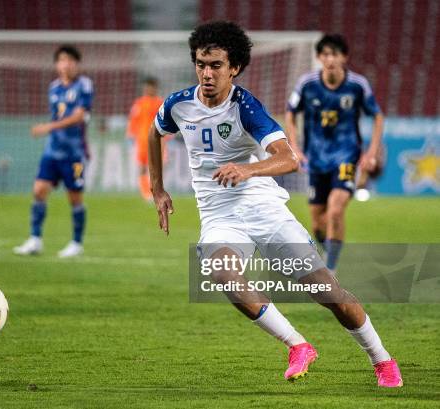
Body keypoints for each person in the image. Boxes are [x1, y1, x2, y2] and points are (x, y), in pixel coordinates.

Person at [148, 21, 402, 387]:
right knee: (222, 273)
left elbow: (289, 159)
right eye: (201, 64)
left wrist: (247, 170)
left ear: (234, 67)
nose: (207, 73)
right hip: (219, 215)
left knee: (328, 293)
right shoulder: (178, 104)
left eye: (216, 65)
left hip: (263, 209)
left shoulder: (245, 107)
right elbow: (154, 132)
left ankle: (382, 359)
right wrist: (157, 189)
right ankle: (298, 345)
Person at [285, 34, 384, 272]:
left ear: (344, 57)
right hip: (316, 160)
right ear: (319, 57)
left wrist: (371, 153)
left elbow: (377, 116)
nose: (330, 59)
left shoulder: (357, 85)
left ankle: (330, 268)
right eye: (325, 54)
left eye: (335, 54)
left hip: (346, 156)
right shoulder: (306, 84)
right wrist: (295, 149)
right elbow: (290, 113)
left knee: (336, 208)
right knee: (318, 220)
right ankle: (329, 250)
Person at [14, 45, 93, 258]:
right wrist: (51, 129)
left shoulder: (84, 85)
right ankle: (35, 239)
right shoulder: (54, 88)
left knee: (75, 198)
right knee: (39, 190)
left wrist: (48, 127)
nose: (65, 64)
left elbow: (78, 116)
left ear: (77, 64)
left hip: (74, 154)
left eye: (69, 60)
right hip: (52, 151)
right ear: (57, 64)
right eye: (61, 60)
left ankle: (76, 243)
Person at [126, 77, 164, 201]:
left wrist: (168, 136)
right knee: (142, 167)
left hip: (157, 140)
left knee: (156, 168)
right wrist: (130, 135)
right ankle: (146, 193)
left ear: (155, 88)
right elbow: (133, 120)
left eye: (151, 87)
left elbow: (166, 121)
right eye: (147, 87)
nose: (148, 89)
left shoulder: (160, 103)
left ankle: (156, 191)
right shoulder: (139, 103)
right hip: (142, 140)